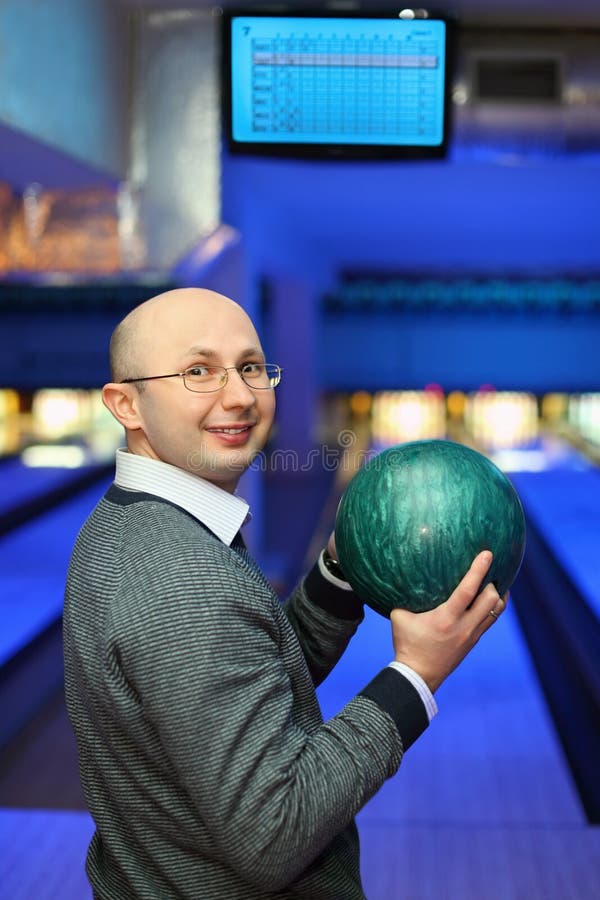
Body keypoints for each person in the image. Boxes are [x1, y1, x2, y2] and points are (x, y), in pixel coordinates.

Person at [64, 287, 506, 900]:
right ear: (126, 404)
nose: (240, 395)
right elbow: (274, 833)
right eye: (198, 371)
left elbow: (246, 677)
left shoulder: (131, 521)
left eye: (250, 366)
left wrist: (340, 572)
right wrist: (415, 675)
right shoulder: (183, 581)